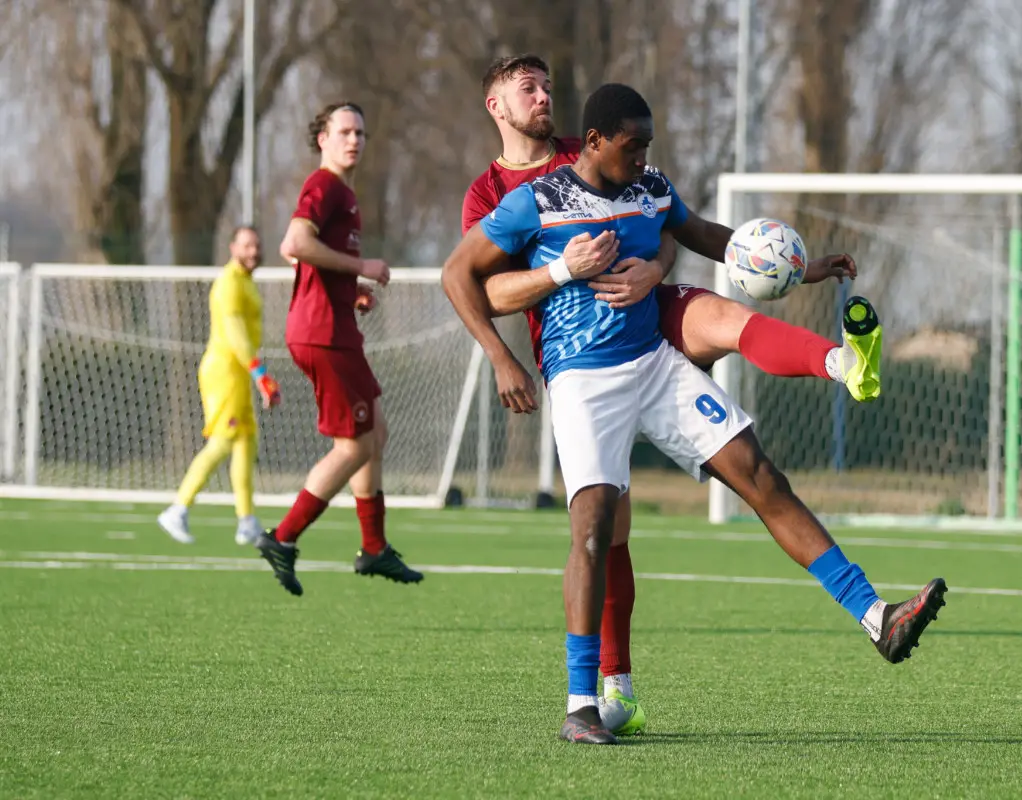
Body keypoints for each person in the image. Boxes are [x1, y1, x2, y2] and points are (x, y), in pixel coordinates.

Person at [443, 83, 947, 745]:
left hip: (653, 364)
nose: (644, 155)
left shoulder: (650, 186)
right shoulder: (537, 201)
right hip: (582, 381)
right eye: (632, 144)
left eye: (648, 142)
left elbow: (705, 235)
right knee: (592, 530)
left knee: (761, 476)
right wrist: (503, 360)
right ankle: (580, 704)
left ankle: (876, 617)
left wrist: (802, 268)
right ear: (594, 143)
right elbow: (459, 274)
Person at [254, 102, 422, 596]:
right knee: (354, 445)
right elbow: (295, 242)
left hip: (337, 328)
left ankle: (373, 548)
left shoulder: (342, 193)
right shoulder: (323, 185)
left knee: (375, 430)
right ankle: (283, 539)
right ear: (323, 138)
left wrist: (352, 290)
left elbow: (302, 256)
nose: (355, 140)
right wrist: (362, 267)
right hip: (322, 333)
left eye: (361, 133)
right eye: (344, 131)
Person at [158, 226, 278, 546]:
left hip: (239, 373)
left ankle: (247, 521)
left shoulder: (246, 282)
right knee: (223, 442)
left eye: (257, 245)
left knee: (246, 442)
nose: (253, 252)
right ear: (232, 247)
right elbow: (236, 334)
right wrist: (261, 375)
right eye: (247, 246)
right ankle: (178, 509)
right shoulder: (228, 283)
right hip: (225, 372)